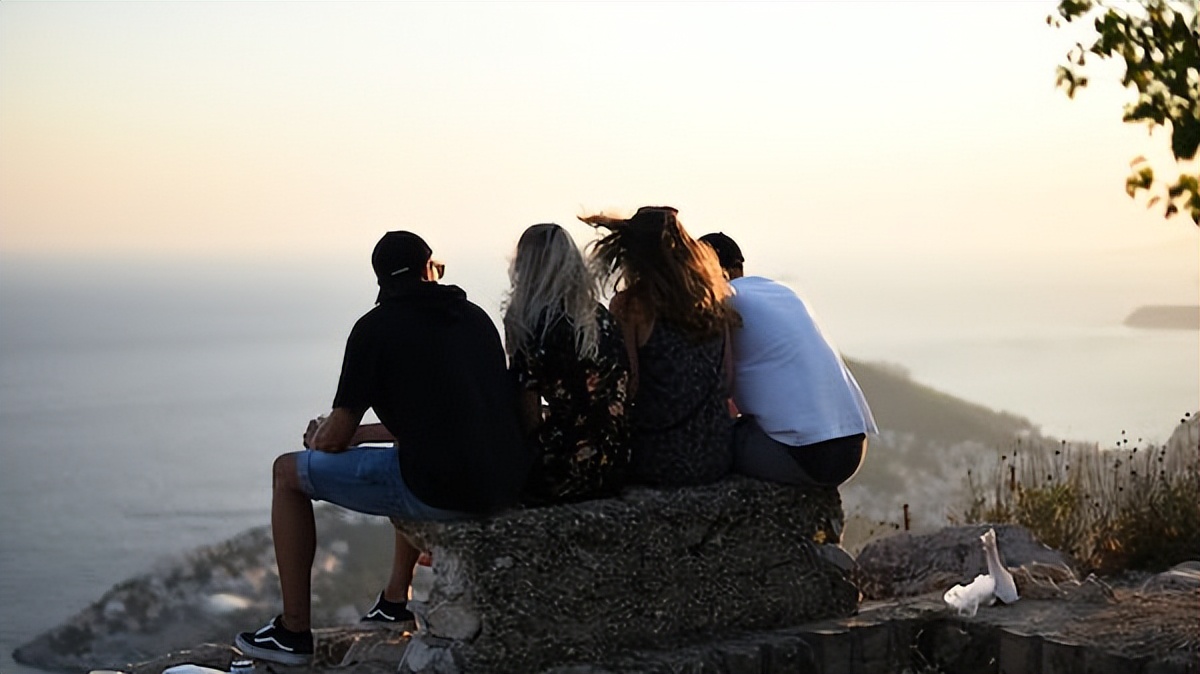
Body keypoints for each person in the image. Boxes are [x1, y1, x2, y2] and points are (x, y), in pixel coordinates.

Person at [234, 231, 528, 665]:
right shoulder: (474, 318)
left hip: (443, 492)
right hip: (504, 483)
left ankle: (292, 631)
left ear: (383, 281)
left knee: (286, 473)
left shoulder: (375, 329)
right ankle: (394, 600)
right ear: (428, 268)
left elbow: (333, 438)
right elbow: (444, 422)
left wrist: (319, 437)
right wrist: (359, 436)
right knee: (408, 456)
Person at [699, 231, 876, 490]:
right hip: (854, 447)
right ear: (739, 266)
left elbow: (715, 386)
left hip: (808, 457)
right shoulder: (783, 292)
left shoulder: (724, 301)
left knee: (707, 446)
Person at [581, 207, 739, 487]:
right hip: (715, 455)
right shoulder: (713, 295)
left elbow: (629, 385)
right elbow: (728, 378)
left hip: (658, 459)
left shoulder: (630, 305)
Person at [504, 223, 631, 504]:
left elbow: (527, 404)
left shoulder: (529, 322)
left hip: (564, 469)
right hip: (614, 461)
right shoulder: (600, 317)